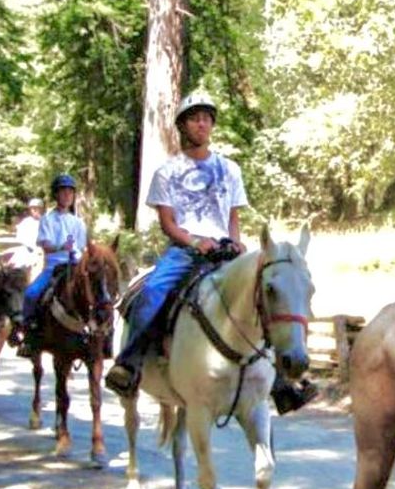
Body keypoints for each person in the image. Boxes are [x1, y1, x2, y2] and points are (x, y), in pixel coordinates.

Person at [104, 92, 317, 413]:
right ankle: (130, 363)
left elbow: (232, 216)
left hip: (225, 249)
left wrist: (236, 242)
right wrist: (194, 242)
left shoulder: (229, 169)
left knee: (264, 294)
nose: (202, 123)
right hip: (184, 251)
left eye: (207, 118)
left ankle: (281, 382)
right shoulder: (168, 171)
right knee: (152, 292)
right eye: (195, 118)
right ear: (182, 126)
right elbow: (167, 221)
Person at [16, 176, 87, 357]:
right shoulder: (47, 219)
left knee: (98, 293)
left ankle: (99, 335)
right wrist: (62, 247)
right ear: (56, 195)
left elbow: (82, 246)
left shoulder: (78, 222)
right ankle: (29, 334)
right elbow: (45, 246)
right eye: (63, 192)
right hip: (55, 265)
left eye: (70, 192)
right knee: (32, 293)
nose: (67, 195)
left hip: (75, 264)